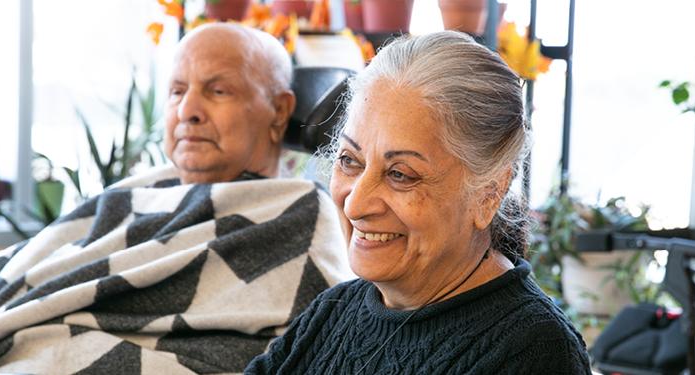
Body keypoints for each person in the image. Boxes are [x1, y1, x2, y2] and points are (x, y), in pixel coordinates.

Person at [0, 23, 352, 374]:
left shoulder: (297, 215)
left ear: (279, 111)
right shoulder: (141, 192)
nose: (187, 110)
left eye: (218, 91)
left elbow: (315, 343)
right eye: (176, 91)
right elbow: (52, 281)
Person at [245, 31, 592, 374]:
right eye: (350, 160)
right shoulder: (334, 311)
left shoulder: (534, 351)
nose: (356, 205)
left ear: (489, 193)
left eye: (400, 174)